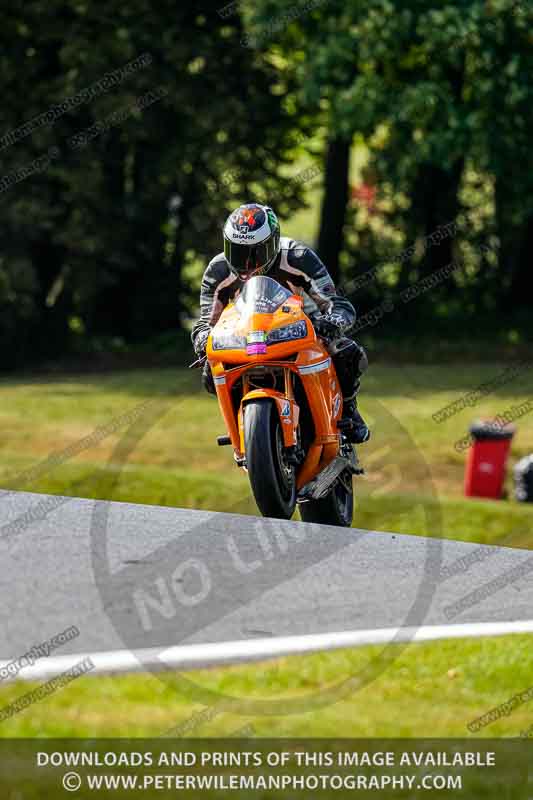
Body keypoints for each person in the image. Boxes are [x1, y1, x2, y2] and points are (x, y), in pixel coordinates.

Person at [191, 202, 370, 444]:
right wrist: (203, 339)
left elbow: (336, 304)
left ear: (273, 243)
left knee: (348, 353)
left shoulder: (298, 257)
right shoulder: (218, 270)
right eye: (237, 251)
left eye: (255, 253)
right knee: (210, 373)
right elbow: (206, 323)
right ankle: (243, 428)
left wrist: (331, 323)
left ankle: (349, 409)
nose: (246, 264)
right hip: (245, 337)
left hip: (302, 328)